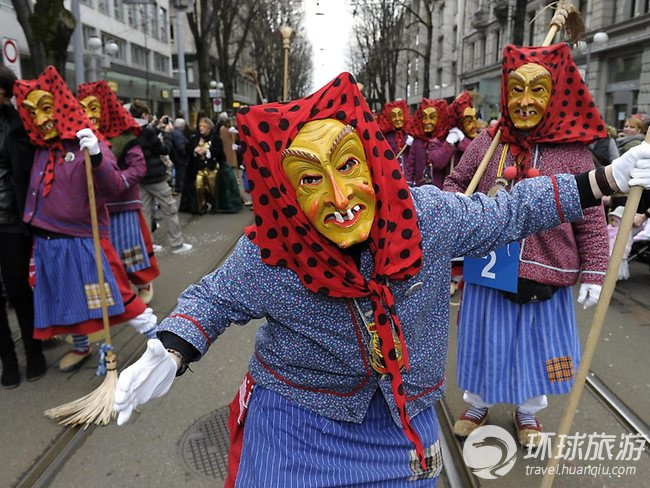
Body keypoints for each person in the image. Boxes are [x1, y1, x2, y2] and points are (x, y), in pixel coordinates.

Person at [112, 72, 650, 486]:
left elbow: (506, 212)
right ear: (287, 194)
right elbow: (214, 297)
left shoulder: (429, 218)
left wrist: (602, 178)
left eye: (347, 167)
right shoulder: (272, 251)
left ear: (371, 162)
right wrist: (174, 344)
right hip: (299, 424)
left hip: (401, 423)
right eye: (309, 180)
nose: (340, 199)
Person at [444, 43, 611, 448]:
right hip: (488, 271)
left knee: (535, 352)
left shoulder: (574, 153)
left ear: (556, 95)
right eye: (515, 89)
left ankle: (527, 413)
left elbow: (591, 218)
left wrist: (594, 270)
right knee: (485, 343)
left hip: (548, 275)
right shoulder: (488, 144)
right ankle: (478, 404)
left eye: (537, 90)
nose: (524, 101)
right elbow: (454, 184)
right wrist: (459, 205)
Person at [13, 66, 157, 371]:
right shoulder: (41, 148)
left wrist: (96, 156)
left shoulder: (88, 143)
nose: (41, 120)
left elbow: (115, 185)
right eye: (32, 112)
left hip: (84, 239)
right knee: (66, 300)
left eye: (47, 109)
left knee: (112, 292)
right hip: (47, 241)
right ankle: (82, 346)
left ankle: (156, 337)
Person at [0, 65, 46, 387]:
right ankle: (8, 360)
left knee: (18, 288)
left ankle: (34, 351)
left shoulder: (20, 125)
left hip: (13, 220)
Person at [129, 101, 192, 253]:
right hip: (155, 176)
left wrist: (158, 128)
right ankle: (177, 244)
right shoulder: (146, 131)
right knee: (169, 208)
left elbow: (147, 141)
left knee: (145, 212)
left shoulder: (132, 128)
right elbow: (163, 149)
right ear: (144, 114)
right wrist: (168, 134)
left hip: (140, 176)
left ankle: (148, 245)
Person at [403, 99, 457, 188]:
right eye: (424, 117)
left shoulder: (445, 141)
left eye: (432, 117)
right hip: (420, 189)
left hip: (440, 189)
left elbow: (443, 164)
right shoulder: (417, 141)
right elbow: (410, 166)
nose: (427, 122)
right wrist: (408, 184)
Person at [377, 100, 413, 172]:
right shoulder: (386, 137)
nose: (397, 119)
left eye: (400, 115)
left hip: (408, 176)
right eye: (393, 116)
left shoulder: (410, 134)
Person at [171, 118, 189, 195]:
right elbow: (181, 147)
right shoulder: (179, 135)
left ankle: (179, 187)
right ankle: (180, 188)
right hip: (180, 158)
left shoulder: (173, 133)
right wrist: (186, 155)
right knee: (180, 172)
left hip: (175, 157)